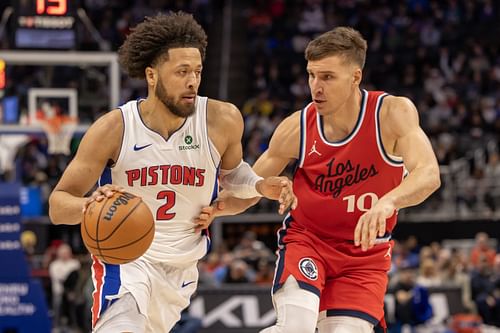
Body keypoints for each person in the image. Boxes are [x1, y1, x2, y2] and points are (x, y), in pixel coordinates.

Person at [48, 12, 296, 333]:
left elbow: (235, 178)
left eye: (197, 71)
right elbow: (57, 205)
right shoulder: (114, 129)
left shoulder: (222, 119)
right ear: (152, 76)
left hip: (182, 269)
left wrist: (261, 186)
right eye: (181, 72)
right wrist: (91, 207)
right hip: (127, 263)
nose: (192, 81)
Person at [198, 27, 440, 333]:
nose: (316, 86)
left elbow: (429, 174)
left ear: (355, 77)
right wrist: (220, 208)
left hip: (364, 257)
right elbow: (251, 186)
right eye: (312, 75)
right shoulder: (297, 128)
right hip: (308, 241)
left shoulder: (391, 113)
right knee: (295, 327)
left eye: (327, 77)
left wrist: (388, 201)